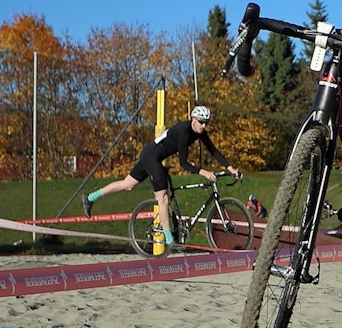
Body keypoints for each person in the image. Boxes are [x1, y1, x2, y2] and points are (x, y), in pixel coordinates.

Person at [81, 106, 241, 250]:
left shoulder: (199, 132)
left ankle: (90, 197)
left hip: (151, 154)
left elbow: (213, 151)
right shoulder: (185, 132)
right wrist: (204, 172)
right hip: (152, 157)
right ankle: (169, 239)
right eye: (201, 122)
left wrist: (231, 168)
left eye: (206, 123)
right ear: (193, 120)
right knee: (163, 200)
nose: (204, 126)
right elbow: (184, 163)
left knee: (128, 184)